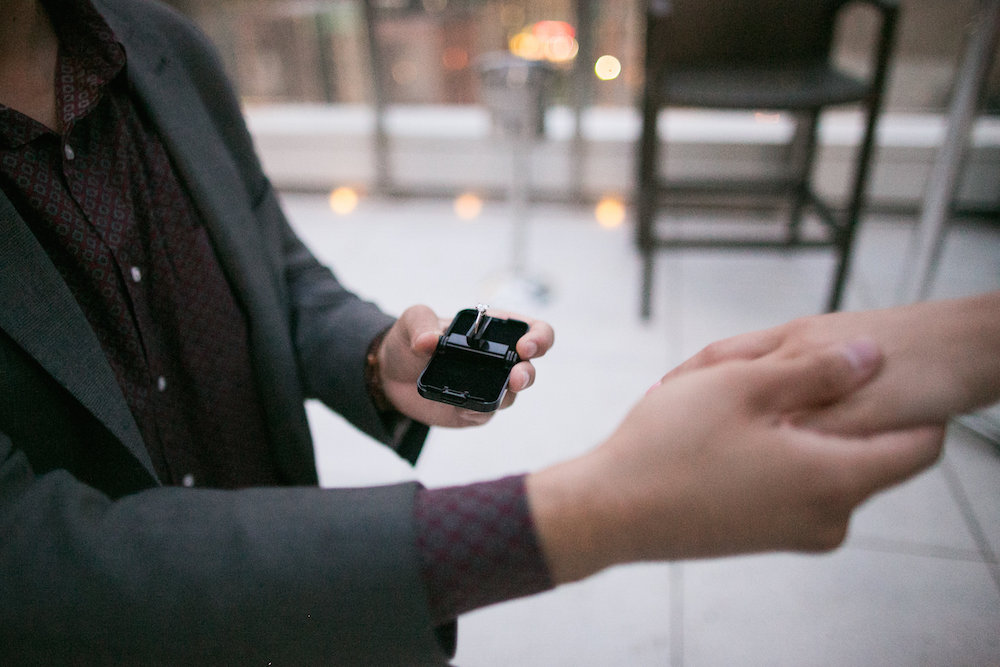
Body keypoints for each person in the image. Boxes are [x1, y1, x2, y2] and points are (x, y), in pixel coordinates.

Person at [0, 0, 966, 663]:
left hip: (303, 624)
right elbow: (37, 566)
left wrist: (383, 361)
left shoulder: (161, 44)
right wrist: (601, 508)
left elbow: (279, 277)